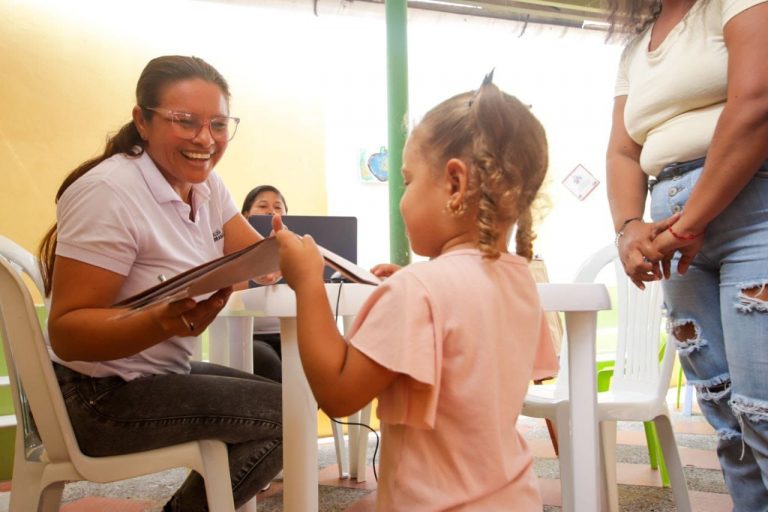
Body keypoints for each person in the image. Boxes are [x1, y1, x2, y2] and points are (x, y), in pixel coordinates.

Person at [276, 76, 559, 510]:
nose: (402, 198)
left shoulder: (420, 291)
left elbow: (338, 393)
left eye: (407, 181)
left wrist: (308, 284)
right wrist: (411, 285)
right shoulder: (521, 282)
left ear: (454, 184)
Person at [38, 55, 283, 511]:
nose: (205, 140)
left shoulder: (207, 187)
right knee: (289, 416)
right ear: (143, 121)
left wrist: (287, 253)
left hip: (152, 376)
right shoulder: (109, 192)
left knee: (286, 406)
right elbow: (67, 332)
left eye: (219, 125)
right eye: (185, 122)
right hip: (92, 397)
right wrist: (163, 324)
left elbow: (254, 256)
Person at [605, 1, 768, 509]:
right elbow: (622, 151)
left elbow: (758, 100)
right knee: (724, 417)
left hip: (752, 208)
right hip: (670, 225)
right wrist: (629, 229)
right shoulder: (637, 45)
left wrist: (691, 220)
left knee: (764, 413)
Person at [240, 184, 289, 382]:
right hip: (252, 336)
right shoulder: (234, 251)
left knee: (314, 361)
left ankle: (299, 412)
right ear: (245, 216)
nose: (271, 211)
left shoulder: (297, 249)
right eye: (263, 206)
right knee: (266, 363)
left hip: (291, 332)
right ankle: (279, 412)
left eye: (278, 207)